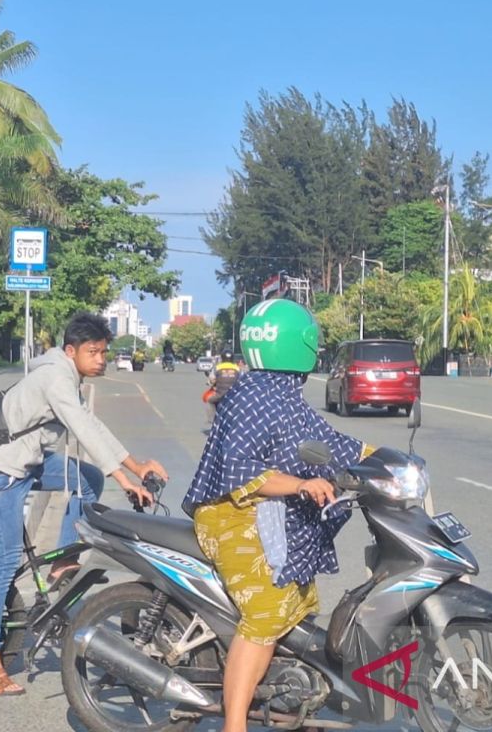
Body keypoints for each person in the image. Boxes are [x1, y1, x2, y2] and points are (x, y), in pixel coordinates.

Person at [184, 299, 372, 732]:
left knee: (301, 598)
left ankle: (284, 692)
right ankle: (235, 724)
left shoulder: (279, 392)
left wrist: (382, 460)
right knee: (267, 612)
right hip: (229, 515)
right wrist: (301, 484)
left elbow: (326, 439)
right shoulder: (251, 397)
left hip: (261, 510)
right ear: (300, 344)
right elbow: (240, 472)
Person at [0, 312, 168, 696]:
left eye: (104, 352)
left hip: (29, 462)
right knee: (5, 561)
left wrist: (135, 464)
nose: (100, 359)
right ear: (71, 350)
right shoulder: (55, 376)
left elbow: (92, 425)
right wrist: (125, 479)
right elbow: (79, 426)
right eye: (93, 352)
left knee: (88, 479)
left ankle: (62, 560)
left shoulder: (67, 374)